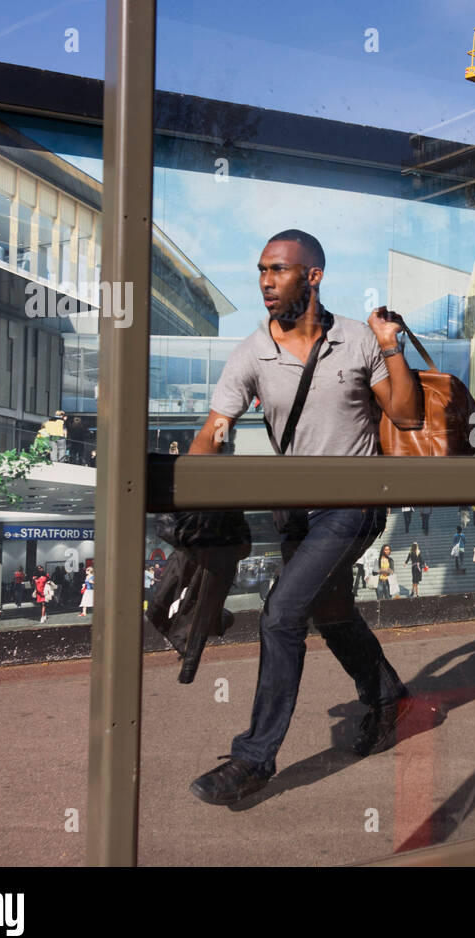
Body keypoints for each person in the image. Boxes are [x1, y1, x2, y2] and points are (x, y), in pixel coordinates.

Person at [187, 228, 420, 806]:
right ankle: (387, 694)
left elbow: (408, 415)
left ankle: (252, 758)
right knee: (330, 609)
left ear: (312, 276)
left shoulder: (358, 341)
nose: (266, 282)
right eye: (262, 270)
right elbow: (214, 431)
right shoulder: (252, 353)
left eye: (279, 271)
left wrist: (391, 344)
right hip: (294, 509)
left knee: (283, 613)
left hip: (354, 502)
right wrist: (193, 475)